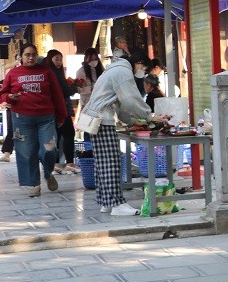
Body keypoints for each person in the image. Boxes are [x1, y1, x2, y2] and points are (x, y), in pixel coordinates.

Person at [79, 49, 155, 216]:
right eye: (145, 69)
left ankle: (107, 202)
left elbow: (119, 103)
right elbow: (130, 99)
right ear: (139, 63)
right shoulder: (123, 71)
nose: (143, 73)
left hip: (96, 119)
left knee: (103, 163)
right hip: (102, 120)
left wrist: (132, 121)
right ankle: (117, 204)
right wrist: (149, 116)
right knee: (111, 162)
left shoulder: (114, 69)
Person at [0, 43, 66, 197]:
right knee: (26, 152)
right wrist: (10, 97)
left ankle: (48, 173)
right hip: (22, 119)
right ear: (21, 57)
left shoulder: (47, 72)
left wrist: (62, 115)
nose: (30, 57)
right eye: (27, 55)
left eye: (33, 54)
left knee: (49, 149)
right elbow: (1, 95)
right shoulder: (13, 73)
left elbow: (57, 95)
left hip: (46, 119)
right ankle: (33, 184)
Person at [43, 49, 80, 174]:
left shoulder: (55, 72)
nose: (59, 62)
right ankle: (63, 163)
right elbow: (63, 91)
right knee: (65, 135)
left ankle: (60, 163)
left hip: (61, 109)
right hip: (58, 110)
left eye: (60, 59)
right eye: (56, 59)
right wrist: (74, 87)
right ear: (50, 59)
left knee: (61, 135)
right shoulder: (52, 73)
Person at [75, 48, 104, 127]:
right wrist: (91, 88)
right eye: (91, 60)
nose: (94, 62)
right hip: (87, 102)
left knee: (100, 125)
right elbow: (78, 89)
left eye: (95, 59)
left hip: (100, 102)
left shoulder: (101, 69)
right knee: (88, 126)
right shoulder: (81, 71)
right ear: (86, 59)